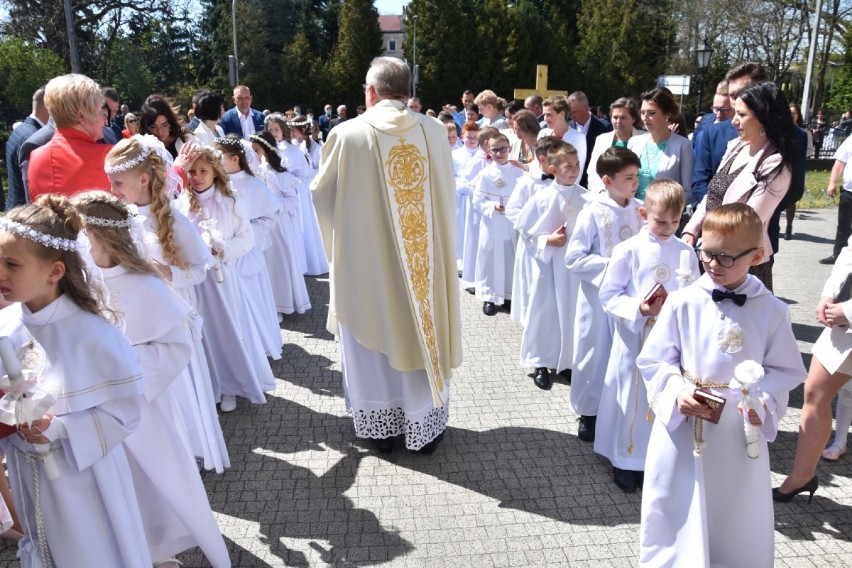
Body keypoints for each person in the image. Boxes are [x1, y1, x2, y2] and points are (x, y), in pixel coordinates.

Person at [637, 203, 805, 566]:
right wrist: (678, 392)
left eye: (726, 258)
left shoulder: (773, 310)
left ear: (757, 255)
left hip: (737, 430)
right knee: (676, 502)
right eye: (707, 253)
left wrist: (759, 400)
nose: (712, 264)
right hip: (684, 423)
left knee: (734, 509)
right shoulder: (683, 301)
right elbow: (654, 359)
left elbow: (787, 370)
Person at [72, 191, 230, 568]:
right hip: (93, 405)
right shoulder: (81, 281)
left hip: (142, 404)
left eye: (81, 236)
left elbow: (177, 344)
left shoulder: (146, 285)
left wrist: (122, 369)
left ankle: (158, 549)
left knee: (149, 478)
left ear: (98, 237)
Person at [312, 56, 461, 454]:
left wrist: (341, 247)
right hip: (425, 267)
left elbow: (322, 197)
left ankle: (383, 434)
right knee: (420, 329)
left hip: (368, 265)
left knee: (372, 337)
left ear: (371, 91)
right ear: (407, 92)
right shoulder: (433, 131)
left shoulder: (346, 134)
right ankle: (424, 428)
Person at [0, 195, 152, 566]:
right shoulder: (6, 327)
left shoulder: (94, 336)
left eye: (11, 264)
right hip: (29, 473)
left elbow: (125, 413)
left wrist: (59, 428)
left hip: (85, 479)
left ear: (55, 271)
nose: (0, 273)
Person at [104, 136, 230, 473]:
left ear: (143, 179)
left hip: (172, 320)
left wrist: (168, 272)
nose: (112, 189)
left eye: (117, 182)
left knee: (181, 389)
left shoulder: (173, 221)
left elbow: (200, 268)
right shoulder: (119, 221)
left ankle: (190, 452)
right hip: (137, 322)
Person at [596, 179, 699, 493]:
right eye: (660, 221)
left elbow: (695, 292)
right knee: (632, 398)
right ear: (643, 213)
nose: (668, 228)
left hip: (672, 339)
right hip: (636, 336)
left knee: (665, 395)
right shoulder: (629, 250)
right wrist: (639, 308)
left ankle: (658, 459)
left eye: (675, 221)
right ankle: (625, 459)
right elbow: (609, 294)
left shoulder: (685, 252)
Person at [177, 146, 275, 413]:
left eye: (203, 171)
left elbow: (247, 238)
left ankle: (233, 385)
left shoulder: (230, 202)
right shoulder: (181, 203)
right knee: (205, 333)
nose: (196, 177)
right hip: (195, 281)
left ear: (215, 172)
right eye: (192, 172)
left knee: (228, 329)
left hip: (222, 278)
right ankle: (213, 384)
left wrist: (223, 248)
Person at [683, 81, 795, 291]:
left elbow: (748, 220)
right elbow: (712, 194)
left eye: (742, 115)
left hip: (741, 264)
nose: (734, 121)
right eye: (735, 113)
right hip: (712, 255)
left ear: (763, 118)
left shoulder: (775, 164)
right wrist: (691, 231)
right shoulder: (736, 147)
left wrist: (706, 247)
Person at [565, 146, 644, 442]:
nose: (635, 183)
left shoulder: (641, 209)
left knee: (625, 354)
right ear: (607, 181)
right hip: (598, 299)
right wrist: (614, 265)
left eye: (637, 176)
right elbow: (574, 258)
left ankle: (622, 410)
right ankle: (589, 412)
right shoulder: (593, 211)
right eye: (629, 177)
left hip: (630, 298)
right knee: (594, 353)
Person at [775, 234, 852, 502]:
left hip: (848, 315)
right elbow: (849, 251)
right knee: (814, 393)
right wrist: (828, 294)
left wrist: (850, 311)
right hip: (844, 326)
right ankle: (802, 475)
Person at [515, 141, 589, 389]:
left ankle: (566, 362)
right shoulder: (542, 198)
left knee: (570, 313)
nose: (575, 169)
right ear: (554, 168)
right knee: (545, 313)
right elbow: (525, 232)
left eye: (577, 164)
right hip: (548, 267)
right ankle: (540, 362)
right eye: (568, 165)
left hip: (574, 270)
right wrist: (548, 240)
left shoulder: (586, 198)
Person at [215, 136, 282, 361]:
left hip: (246, 251)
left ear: (235, 159)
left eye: (220, 156)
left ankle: (260, 346)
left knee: (252, 298)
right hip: (225, 253)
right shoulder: (218, 183)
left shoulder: (252, 184)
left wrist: (248, 232)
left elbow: (270, 215)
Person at [250, 130, 311, 315]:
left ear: (266, 150)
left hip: (278, 225)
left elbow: (292, 200)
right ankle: (271, 305)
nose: (253, 154)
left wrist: (273, 205)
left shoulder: (278, 173)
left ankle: (284, 302)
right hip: (262, 225)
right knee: (267, 264)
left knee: (279, 262)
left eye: (256, 150)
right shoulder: (255, 172)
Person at [28, 74, 112, 201]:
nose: (104, 121)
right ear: (81, 116)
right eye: (100, 112)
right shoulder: (109, 157)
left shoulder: (36, 157)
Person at [506, 136, 563, 325]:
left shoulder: (564, 181)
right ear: (542, 160)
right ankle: (531, 324)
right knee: (533, 283)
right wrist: (538, 234)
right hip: (533, 244)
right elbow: (513, 210)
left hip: (559, 244)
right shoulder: (527, 182)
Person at [473, 132, 525, 316]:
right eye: (495, 150)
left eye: (503, 149)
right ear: (489, 151)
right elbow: (477, 201)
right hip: (492, 223)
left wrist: (513, 207)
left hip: (511, 223)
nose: (500, 153)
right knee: (490, 258)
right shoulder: (485, 174)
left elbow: (526, 198)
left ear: (509, 149)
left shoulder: (519, 173)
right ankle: (489, 296)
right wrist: (493, 206)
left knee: (510, 258)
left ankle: (509, 297)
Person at [627, 87, 694, 202]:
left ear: (667, 113)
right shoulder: (634, 142)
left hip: (661, 216)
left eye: (651, 113)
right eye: (642, 113)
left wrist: (666, 209)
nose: (645, 118)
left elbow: (689, 191)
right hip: (632, 212)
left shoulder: (683, 145)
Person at [587, 98, 644, 194]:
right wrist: (601, 192)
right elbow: (593, 171)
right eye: (615, 117)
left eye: (623, 117)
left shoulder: (644, 138)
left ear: (633, 119)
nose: (618, 121)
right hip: (606, 196)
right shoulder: (602, 139)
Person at [6, 86, 47, 209]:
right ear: (48, 107)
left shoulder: (22, 129)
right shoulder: (36, 139)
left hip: (15, 207)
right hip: (25, 213)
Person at [538, 96, 588, 184]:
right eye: (544, 115)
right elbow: (537, 164)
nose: (545, 119)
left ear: (562, 114)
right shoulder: (543, 133)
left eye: (549, 114)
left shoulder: (577, 137)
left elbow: (577, 171)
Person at [568, 91, 613, 188]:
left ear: (585, 108)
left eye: (574, 112)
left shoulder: (604, 127)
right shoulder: (568, 127)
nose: (571, 115)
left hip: (594, 182)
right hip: (572, 181)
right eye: (570, 112)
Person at [820, 135, 852, 265]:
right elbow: (840, 162)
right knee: (843, 224)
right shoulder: (851, 139)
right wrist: (832, 182)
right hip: (849, 190)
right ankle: (838, 254)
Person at [785, 102, 814, 240]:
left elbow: (807, 152)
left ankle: (789, 226)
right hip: (781, 169)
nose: (791, 116)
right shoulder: (780, 129)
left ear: (798, 115)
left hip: (795, 169)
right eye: (789, 113)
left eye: (794, 113)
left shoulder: (804, 132)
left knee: (791, 199)